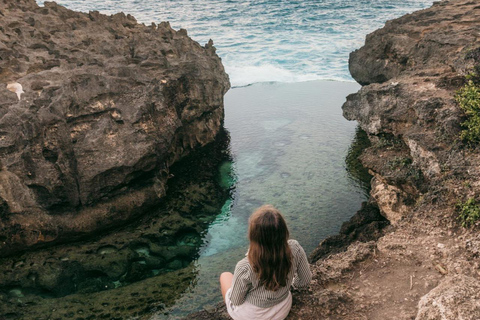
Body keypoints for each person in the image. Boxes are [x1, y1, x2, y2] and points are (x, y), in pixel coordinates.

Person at [219, 205, 312, 320]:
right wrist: (291, 283)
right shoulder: (295, 249)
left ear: (253, 236)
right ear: (284, 231)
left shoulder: (245, 266)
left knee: (225, 276)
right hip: (281, 311)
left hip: (251, 316)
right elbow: (305, 280)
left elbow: (236, 300)